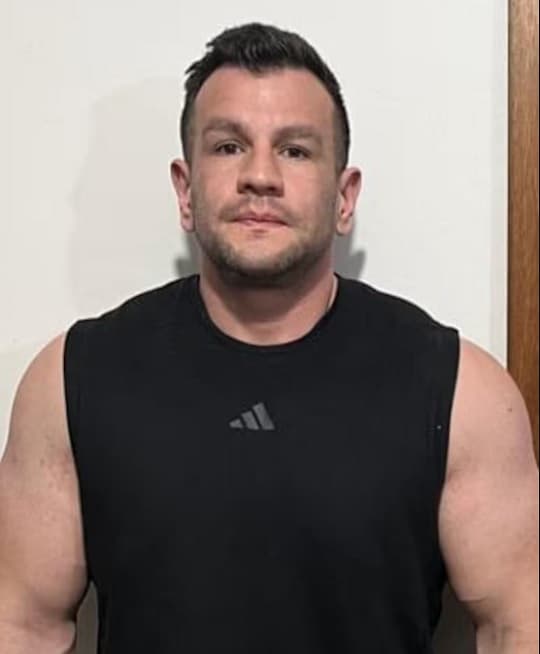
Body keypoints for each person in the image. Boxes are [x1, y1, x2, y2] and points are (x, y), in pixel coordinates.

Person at [0, 22, 538, 654]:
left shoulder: (459, 391)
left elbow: (520, 622)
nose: (260, 175)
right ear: (185, 190)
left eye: (295, 150)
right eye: (229, 146)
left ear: (344, 198)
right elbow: (22, 625)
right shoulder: (73, 380)